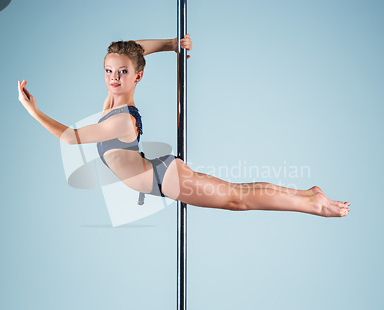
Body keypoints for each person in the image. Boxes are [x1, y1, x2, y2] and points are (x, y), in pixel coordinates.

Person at [18, 35, 351, 217]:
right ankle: (308, 195)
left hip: (164, 179)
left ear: (138, 76)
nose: (113, 78)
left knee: (237, 199)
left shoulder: (119, 119)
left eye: (122, 72)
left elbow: (69, 138)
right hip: (162, 174)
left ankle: (313, 204)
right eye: (108, 71)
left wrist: (33, 110)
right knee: (238, 193)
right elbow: (133, 50)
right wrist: (171, 44)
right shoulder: (110, 103)